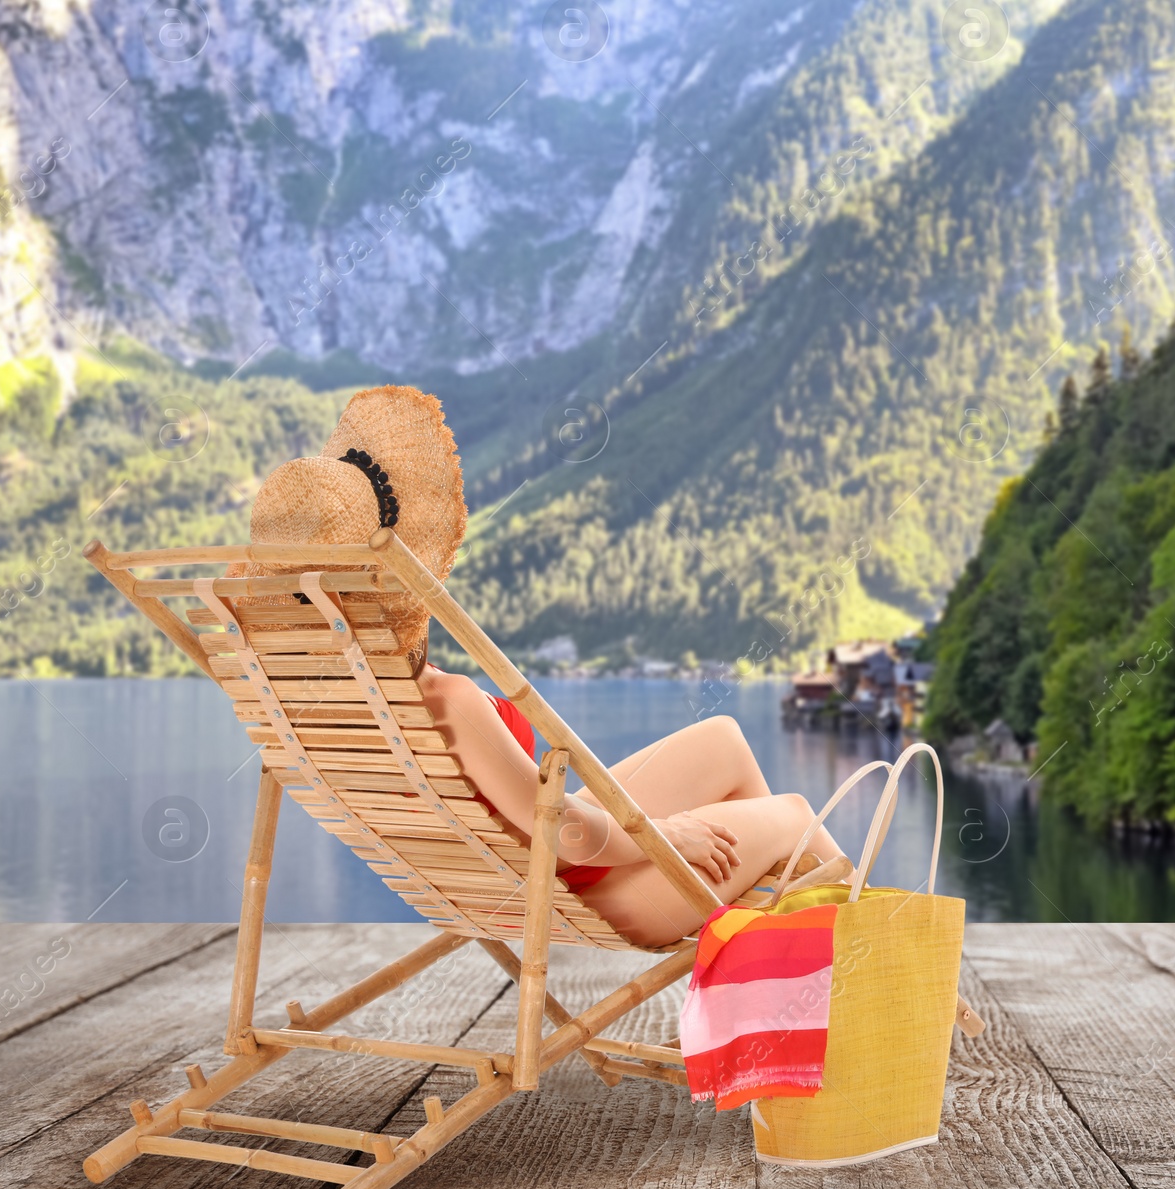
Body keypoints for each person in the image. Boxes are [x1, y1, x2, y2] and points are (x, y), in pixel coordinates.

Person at [231, 384, 846, 947]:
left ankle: (779, 955)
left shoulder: (309, 704)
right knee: (792, 815)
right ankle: (871, 972)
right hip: (588, 897)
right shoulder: (445, 702)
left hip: (513, 885)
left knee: (724, 739)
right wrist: (667, 838)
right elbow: (571, 838)